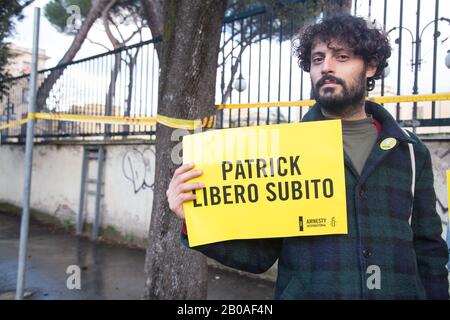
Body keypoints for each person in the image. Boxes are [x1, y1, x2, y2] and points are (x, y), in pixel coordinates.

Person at [166, 14, 449, 299]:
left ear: (371, 67)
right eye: (317, 59)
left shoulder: (411, 152)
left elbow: (429, 251)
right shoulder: (284, 150)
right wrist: (195, 218)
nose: (326, 67)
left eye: (341, 57)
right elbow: (259, 256)